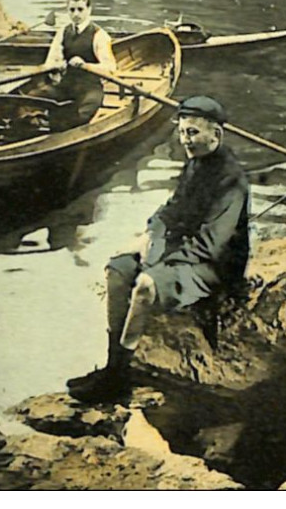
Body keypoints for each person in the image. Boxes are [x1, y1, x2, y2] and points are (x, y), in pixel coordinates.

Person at [67, 95, 250, 404]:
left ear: (215, 134)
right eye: (182, 132)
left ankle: (119, 376)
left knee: (145, 287)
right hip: (179, 251)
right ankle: (113, 363)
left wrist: (158, 261)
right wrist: (149, 235)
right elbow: (171, 210)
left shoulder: (233, 182)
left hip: (214, 266)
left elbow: (211, 244)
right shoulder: (196, 165)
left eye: (192, 132)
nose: (185, 140)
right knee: (117, 268)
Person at [43, 0, 116, 74]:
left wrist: (84, 65)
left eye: (80, 9)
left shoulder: (99, 35)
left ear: (89, 10)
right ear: (67, 11)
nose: (76, 14)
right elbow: (50, 62)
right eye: (72, 10)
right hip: (66, 83)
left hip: (90, 84)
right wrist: (57, 65)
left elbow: (110, 68)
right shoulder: (62, 32)